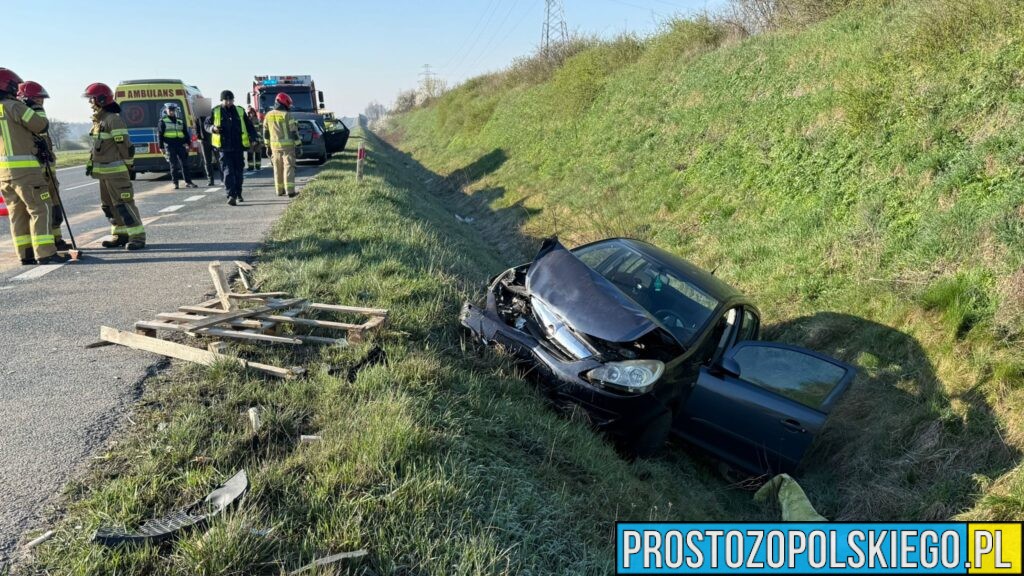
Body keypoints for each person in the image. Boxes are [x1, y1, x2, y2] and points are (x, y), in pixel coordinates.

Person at [0, 69, 61, 265]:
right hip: (26, 172)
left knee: (17, 214)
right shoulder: (15, 107)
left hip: (4, 174)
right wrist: (34, 106)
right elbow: (41, 125)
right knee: (40, 209)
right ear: (9, 86)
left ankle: (25, 254)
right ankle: (45, 253)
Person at [83, 82, 146, 250]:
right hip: (103, 174)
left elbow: (125, 147)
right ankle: (121, 234)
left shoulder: (113, 120)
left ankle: (137, 237)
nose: (90, 103)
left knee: (124, 205)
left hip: (116, 173)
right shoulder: (99, 121)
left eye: (92, 99)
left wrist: (129, 166)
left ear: (101, 100)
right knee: (109, 207)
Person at [17, 80, 71, 252]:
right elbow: (39, 128)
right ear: (30, 99)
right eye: (39, 99)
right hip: (37, 173)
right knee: (42, 209)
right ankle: (45, 245)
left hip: (48, 172)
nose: (42, 103)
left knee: (54, 209)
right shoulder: (28, 115)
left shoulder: (30, 113)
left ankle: (56, 239)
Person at [205, 90, 255, 206]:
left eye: (230, 100)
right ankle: (231, 195)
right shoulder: (216, 111)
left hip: (238, 147)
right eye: (226, 100)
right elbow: (206, 125)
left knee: (238, 173)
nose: (228, 102)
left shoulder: (240, 110)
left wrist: (254, 138)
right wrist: (213, 128)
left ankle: (238, 193)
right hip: (224, 148)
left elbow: (249, 126)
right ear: (222, 100)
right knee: (228, 173)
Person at [263, 92, 301, 198]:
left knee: (277, 169)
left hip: (274, 148)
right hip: (288, 147)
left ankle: (279, 191)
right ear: (284, 102)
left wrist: (267, 146)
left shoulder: (268, 115)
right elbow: (294, 132)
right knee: (289, 168)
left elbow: (265, 133)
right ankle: (290, 191)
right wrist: (298, 145)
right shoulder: (287, 115)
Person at [158, 102, 197, 189]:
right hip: (170, 145)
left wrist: (188, 144)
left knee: (185, 164)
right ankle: (175, 183)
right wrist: (161, 147)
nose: (171, 112)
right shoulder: (163, 121)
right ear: (166, 110)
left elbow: (185, 133)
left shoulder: (180, 121)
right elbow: (160, 135)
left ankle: (188, 182)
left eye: (173, 110)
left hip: (180, 145)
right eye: (170, 110)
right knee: (173, 165)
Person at [245, 106, 264, 172]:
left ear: (254, 113)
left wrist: (261, 140)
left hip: (258, 140)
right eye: (250, 113)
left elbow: (261, 130)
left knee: (258, 153)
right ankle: (250, 167)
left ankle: (258, 166)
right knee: (250, 154)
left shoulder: (258, 120)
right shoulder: (246, 121)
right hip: (250, 140)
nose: (251, 114)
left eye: (252, 112)